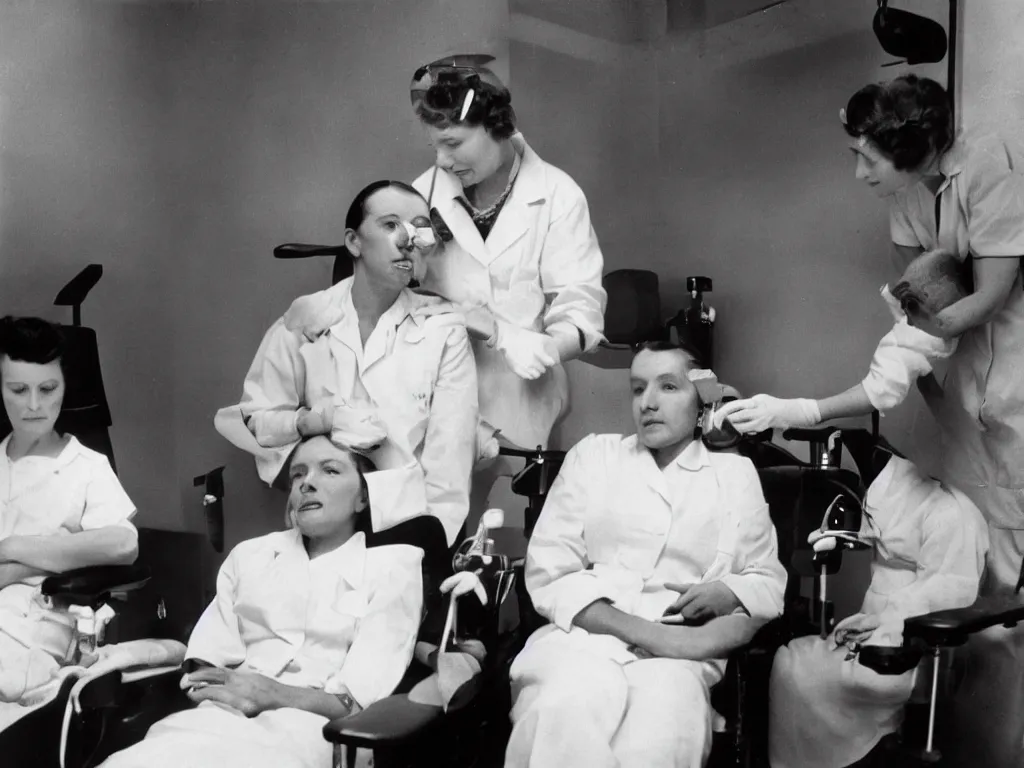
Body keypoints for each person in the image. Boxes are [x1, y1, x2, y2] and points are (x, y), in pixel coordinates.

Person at [717, 74, 1024, 767]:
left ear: (911, 148)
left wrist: (905, 349)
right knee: (938, 564)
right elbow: (922, 290)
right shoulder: (911, 189)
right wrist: (914, 339)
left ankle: (991, 751)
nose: (858, 173)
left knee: (997, 602)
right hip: (951, 396)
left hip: (1006, 392)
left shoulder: (986, 168)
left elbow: (982, 296)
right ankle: (925, 734)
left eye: (868, 159)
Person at [505, 341, 787, 768]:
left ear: (701, 404)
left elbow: (766, 580)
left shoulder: (733, 474)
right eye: (638, 389)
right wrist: (647, 633)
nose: (648, 403)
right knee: (567, 708)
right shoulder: (595, 457)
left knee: (659, 735)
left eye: (668, 387)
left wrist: (728, 591)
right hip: (584, 639)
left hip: (683, 653)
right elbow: (551, 572)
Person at [100, 435, 424, 768]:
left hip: (317, 732)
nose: (306, 483)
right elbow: (205, 662)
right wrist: (220, 688)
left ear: (362, 498)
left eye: (330, 471)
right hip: (217, 718)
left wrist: (270, 694)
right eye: (298, 474)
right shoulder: (250, 557)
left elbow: (357, 703)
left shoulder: (393, 569)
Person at [215, 180, 478, 545]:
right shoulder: (303, 322)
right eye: (390, 225)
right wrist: (310, 423)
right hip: (320, 531)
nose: (407, 239)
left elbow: (449, 463)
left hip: (408, 528)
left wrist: (430, 553)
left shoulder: (443, 331)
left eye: (419, 227)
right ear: (354, 241)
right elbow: (255, 421)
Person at [408, 55, 607, 507]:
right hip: (434, 394)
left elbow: (579, 304)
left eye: (454, 143)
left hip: (521, 397)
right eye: (435, 146)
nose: (442, 159)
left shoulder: (557, 195)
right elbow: (398, 290)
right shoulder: (422, 193)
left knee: (504, 536)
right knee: (431, 527)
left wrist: (545, 346)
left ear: (495, 126)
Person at [768, 436, 989, 768]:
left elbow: (949, 597)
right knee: (789, 658)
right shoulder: (894, 510)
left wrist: (880, 622)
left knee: (795, 669)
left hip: (916, 653)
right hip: (876, 634)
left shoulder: (950, 515)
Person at [0, 316, 138, 728]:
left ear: (66, 388)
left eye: (48, 389)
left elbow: (121, 544)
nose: (34, 406)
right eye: (18, 390)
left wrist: (11, 553)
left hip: (41, 619)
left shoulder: (86, 466)